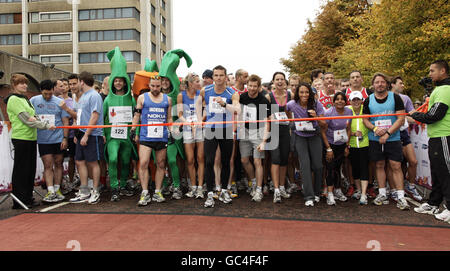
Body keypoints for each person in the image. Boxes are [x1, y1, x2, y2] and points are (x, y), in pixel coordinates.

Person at [5, 74, 55, 209]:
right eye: (21, 83)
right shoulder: (14, 99)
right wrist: (45, 125)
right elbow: (27, 119)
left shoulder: (25, 99)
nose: (25, 86)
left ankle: (27, 197)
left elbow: (34, 116)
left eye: (25, 83)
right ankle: (19, 199)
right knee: (21, 169)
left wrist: (39, 121)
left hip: (31, 138)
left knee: (30, 169)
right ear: (14, 85)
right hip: (21, 138)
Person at [362, 72, 409, 210]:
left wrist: (388, 133)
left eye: (382, 82)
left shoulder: (395, 98)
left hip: (392, 138)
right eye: (377, 82)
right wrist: (375, 129)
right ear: (373, 84)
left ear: (387, 84)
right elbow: (365, 119)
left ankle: (401, 196)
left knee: (396, 165)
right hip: (375, 138)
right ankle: (382, 193)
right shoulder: (368, 100)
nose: (380, 84)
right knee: (379, 165)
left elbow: (401, 119)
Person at [410, 60, 450, 222]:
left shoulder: (445, 89)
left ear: (443, 71)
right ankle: (434, 203)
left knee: (446, 173)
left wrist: (414, 114)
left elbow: (434, 115)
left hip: (444, 136)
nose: (430, 74)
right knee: (437, 172)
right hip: (435, 137)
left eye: (432, 71)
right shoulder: (439, 89)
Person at [201, 65, 240, 208]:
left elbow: (237, 110)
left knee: (226, 161)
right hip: (211, 129)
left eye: (221, 75)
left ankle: (224, 190)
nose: (218, 78)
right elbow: (202, 106)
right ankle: (210, 194)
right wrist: (200, 119)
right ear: (213, 77)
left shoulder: (232, 93)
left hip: (226, 129)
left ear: (225, 77)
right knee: (210, 161)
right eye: (216, 75)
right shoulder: (205, 90)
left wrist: (224, 104)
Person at [132, 74, 173, 206]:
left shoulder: (168, 99)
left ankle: (157, 191)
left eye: (158, 86)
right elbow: (137, 115)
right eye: (153, 86)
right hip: (146, 135)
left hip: (161, 136)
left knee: (161, 164)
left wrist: (171, 131)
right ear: (149, 86)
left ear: (161, 85)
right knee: (143, 163)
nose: (155, 88)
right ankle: (144, 192)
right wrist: (133, 129)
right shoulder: (142, 98)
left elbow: (169, 118)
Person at [103, 47, 137, 202]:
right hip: (112, 137)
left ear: (125, 82)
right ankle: (114, 186)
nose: (118, 83)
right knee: (113, 158)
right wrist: (103, 134)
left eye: (120, 80)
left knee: (125, 160)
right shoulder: (107, 99)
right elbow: (102, 118)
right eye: (115, 80)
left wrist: (135, 133)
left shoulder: (131, 99)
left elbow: (137, 116)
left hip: (127, 137)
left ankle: (123, 184)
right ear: (112, 82)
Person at [31, 80, 70, 203]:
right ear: (41, 91)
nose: (47, 96)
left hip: (58, 139)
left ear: (53, 90)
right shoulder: (33, 101)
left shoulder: (59, 102)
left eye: (49, 94)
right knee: (48, 165)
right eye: (45, 94)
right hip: (43, 139)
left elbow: (65, 121)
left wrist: (65, 138)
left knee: (58, 163)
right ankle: (50, 190)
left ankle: (58, 189)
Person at [286, 82, 325, 207]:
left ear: (310, 93)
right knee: (305, 165)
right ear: (297, 93)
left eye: (307, 92)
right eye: (301, 92)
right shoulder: (292, 104)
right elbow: (287, 113)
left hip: (314, 136)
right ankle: (308, 195)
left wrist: (316, 117)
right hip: (300, 137)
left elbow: (324, 124)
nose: (304, 94)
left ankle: (317, 192)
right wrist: (292, 124)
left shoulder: (316, 104)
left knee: (318, 165)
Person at [69, 72, 105, 204]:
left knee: (93, 162)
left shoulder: (94, 96)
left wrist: (86, 134)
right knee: (79, 161)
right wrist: (77, 133)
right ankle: (84, 190)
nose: (74, 85)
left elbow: (94, 116)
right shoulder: (82, 97)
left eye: (76, 82)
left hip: (93, 134)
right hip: (81, 133)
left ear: (82, 82)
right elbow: (79, 116)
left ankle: (95, 190)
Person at [238, 74, 270, 202]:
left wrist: (263, 141)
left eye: (254, 86)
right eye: (250, 86)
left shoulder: (263, 100)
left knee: (258, 161)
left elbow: (267, 122)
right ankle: (254, 181)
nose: (252, 88)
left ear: (258, 87)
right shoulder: (242, 97)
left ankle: (258, 189)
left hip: (258, 131)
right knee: (244, 160)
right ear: (247, 85)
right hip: (245, 131)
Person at [389, 76, 421, 201]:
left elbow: (412, 114)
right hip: (391, 134)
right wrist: (401, 118)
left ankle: (411, 186)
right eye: (400, 83)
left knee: (413, 161)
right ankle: (393, 189)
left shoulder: (406, 98)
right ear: (392, 84)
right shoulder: (386, 97)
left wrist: (422, 118)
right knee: (393, 165)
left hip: (404, 134)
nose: (403, 85)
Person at [321, 92, 352, 205]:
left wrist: (347, 145)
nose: (340, 101)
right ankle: (330, 194)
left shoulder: (349, 111)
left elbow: (349, 129)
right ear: (333, 102)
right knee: (330, 168)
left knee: (338, 167)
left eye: (342, 99)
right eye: (337, 99)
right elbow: (323, 132)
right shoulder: (329, 113)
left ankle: (338, 190)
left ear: (345, 101)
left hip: (342, 143)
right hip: (330, 143)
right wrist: (328, 148)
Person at [265, 72, 292, 202]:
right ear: (273, 81)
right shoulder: (269, 97)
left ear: (285, 81)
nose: (280, 81)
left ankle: (282, 187)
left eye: (282, 79)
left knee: (284, 159)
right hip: (273, 131)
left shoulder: (290, 95)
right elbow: (263, 116)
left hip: (286, 130)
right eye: (277, 79)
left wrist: (292, 129)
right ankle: (276, 189)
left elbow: (291, 114)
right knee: (275, 158)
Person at [178, 73, 205, 199]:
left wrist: (199, 121)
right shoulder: (181, 95)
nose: (199, 83)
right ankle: (193, 186)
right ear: (190, 83)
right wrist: (188, 123)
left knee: (200, 158)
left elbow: (205, 110)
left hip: (199, 127)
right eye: (197, 81)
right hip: (188, 128)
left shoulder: (201, 94)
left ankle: (200, 187)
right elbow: (179, 114)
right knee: (190, 159)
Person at [347, 91, 370, 205]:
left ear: (362, 100)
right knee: (355, 167)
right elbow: (344, 128)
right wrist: (352, 134)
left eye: (358, 99)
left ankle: (364, 194)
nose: (355, 102)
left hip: (364, 144)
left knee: (364, 167)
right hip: (352, 144)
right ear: (350, 101)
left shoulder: (365, 110)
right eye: (353, 100)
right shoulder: (347, 111)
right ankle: (359, 190)